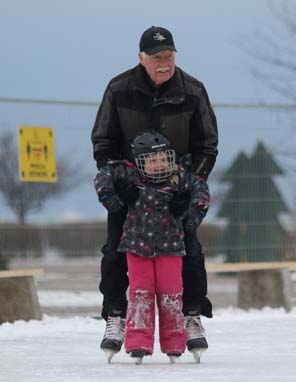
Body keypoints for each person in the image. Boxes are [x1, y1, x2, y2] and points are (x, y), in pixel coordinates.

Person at [91, 26, 218, 362]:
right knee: (116, 251)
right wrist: (118, 182)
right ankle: (116, 315)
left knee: (189, 252)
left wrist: (188, 186)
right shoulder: (119, 89)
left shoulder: (193, 91)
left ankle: (191, 315)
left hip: (174, 191)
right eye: (157, 57)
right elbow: (103, 140)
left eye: (169, 56)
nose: (164, 63)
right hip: (129, 191)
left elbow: (207, 144)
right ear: (141, 58)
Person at [94, 131, 210, 364]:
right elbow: (103, 176)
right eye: (152, 160)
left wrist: (193, 215)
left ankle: (175, 343)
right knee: (140, 295)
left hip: (170, 250)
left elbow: (201, 189)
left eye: (163, 159)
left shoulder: (178, 177)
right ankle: (138, 343)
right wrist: (110, 198)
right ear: (140, 162)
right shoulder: (131, 177)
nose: (159, 165)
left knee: (171, 295)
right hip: (137, 250)